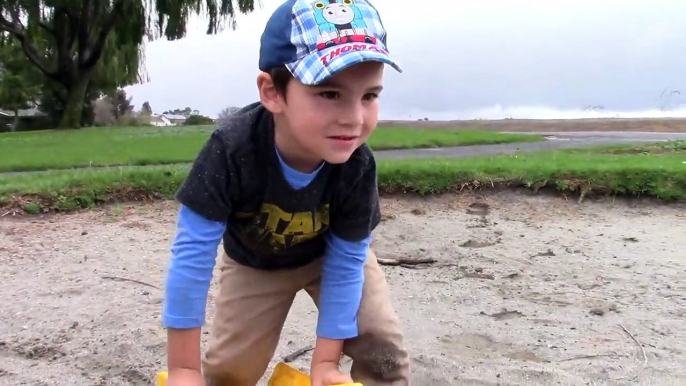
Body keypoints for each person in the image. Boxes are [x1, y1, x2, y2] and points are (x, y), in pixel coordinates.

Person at [161, 0, 410, 385]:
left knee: (384, 351)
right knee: (230, 373)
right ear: (273, 92)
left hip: (330, 258)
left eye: (369, 96)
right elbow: (191, 258)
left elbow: (346, 264)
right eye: (329, 93)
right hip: (255, 264)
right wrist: (182, 368)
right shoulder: (231, 150)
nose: (355, 118)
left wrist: (325, 364)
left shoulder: (357, 166)